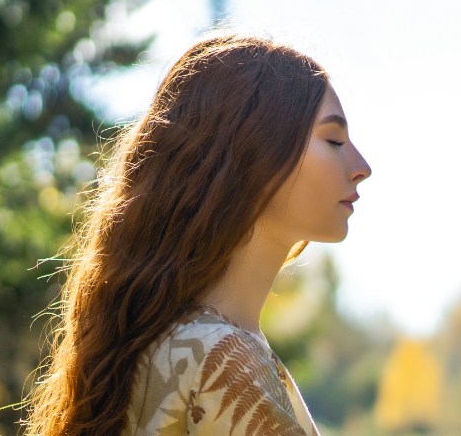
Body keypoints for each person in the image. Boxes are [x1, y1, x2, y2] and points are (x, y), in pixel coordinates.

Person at [23, 32, 372, 436]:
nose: (361, 165)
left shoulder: (162, 346)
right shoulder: (221, 360)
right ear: (253, 151)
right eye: (333, 139)